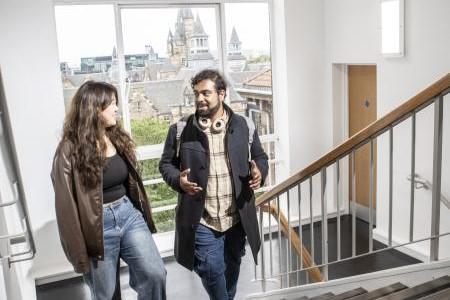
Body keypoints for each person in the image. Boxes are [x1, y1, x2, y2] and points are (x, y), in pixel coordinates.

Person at [51, 81, 166, 300]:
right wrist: (79, 255)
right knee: (106, 295)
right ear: (94, 108)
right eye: (111, 104)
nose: (116, 109)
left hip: (128, 214)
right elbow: (65, 207)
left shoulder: (115, 136)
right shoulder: (69, 149)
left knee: (155, 274)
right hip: (96, 226)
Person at [159, 69, 269, 300]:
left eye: (206, 93)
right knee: (212, 272)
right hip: (202, 221)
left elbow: (260, 157)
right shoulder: (180, 130)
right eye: (196, 93)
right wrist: (178, 180)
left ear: (222, 93)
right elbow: (166, 165)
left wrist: (260, 172)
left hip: (236, 220)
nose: (199, 98)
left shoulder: (245, 126)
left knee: (231, 271)